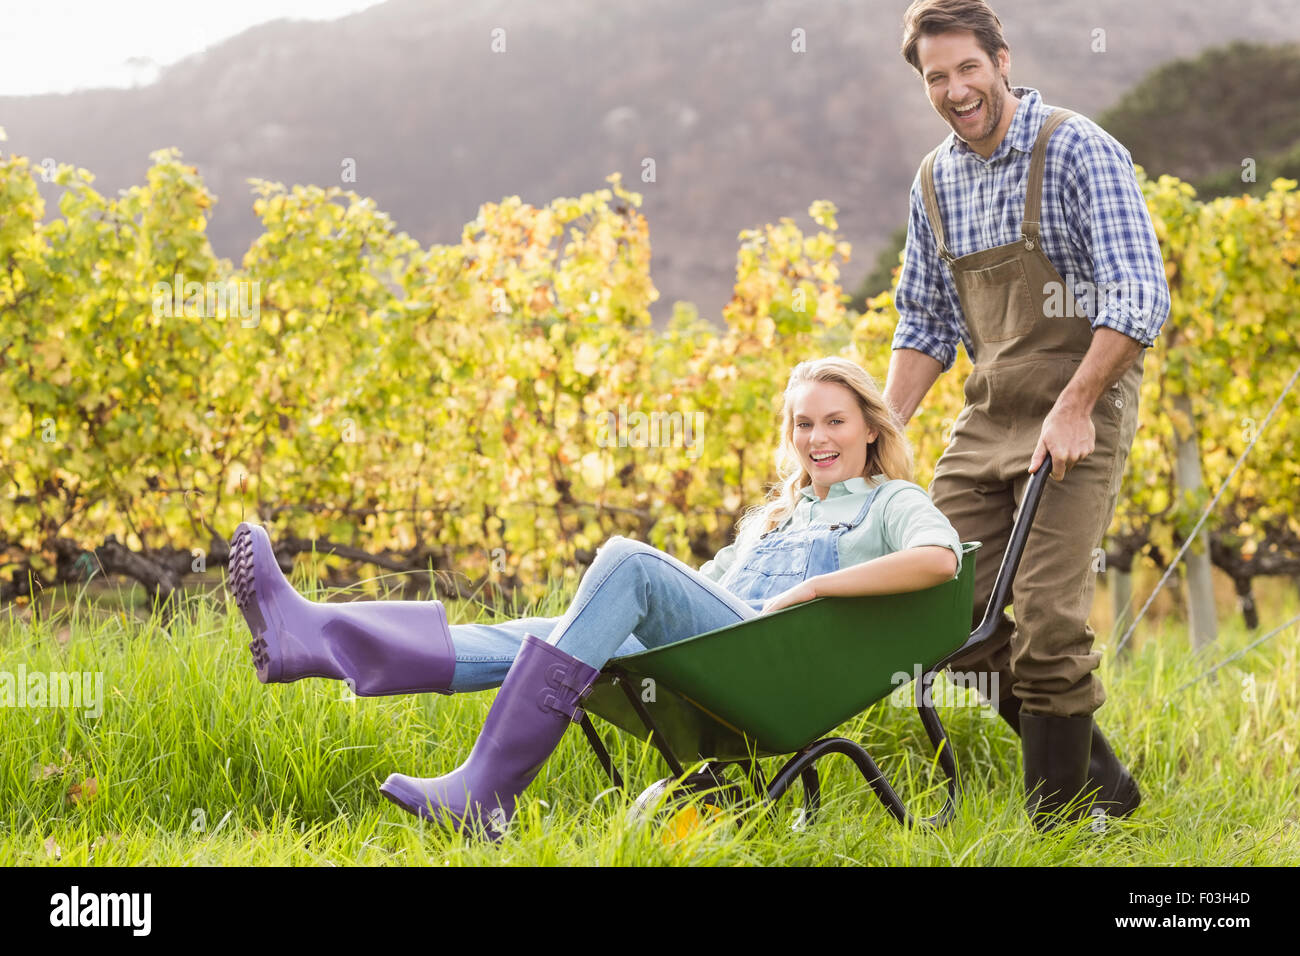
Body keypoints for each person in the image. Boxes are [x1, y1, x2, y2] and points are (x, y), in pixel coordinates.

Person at [230, 357, 965, 840]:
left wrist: (815, 585)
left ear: (871, 427)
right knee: (543, 632)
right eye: (803, 423)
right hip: (720, 655)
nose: (817, 437)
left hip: (770, 667)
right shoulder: (773, 515)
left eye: (835, 420)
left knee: (628, 563)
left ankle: (486, 788)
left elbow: (939, 559)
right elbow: (701, 590)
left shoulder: (890, 500)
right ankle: (314, 636)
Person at [884, 0, 1171, 831]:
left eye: (968, 68)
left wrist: (1077, 404)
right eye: (937, 77)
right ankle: (1102, 784)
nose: (956, 90)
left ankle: (1054, 826)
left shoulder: (1076, 149)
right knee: (937, 599)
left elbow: (1140, 294)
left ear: (1001, 59)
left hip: (1084, 401)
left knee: (1046, 617)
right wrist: (882, 430)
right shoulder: (935, 179)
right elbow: (926, 323)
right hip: (992, 408)